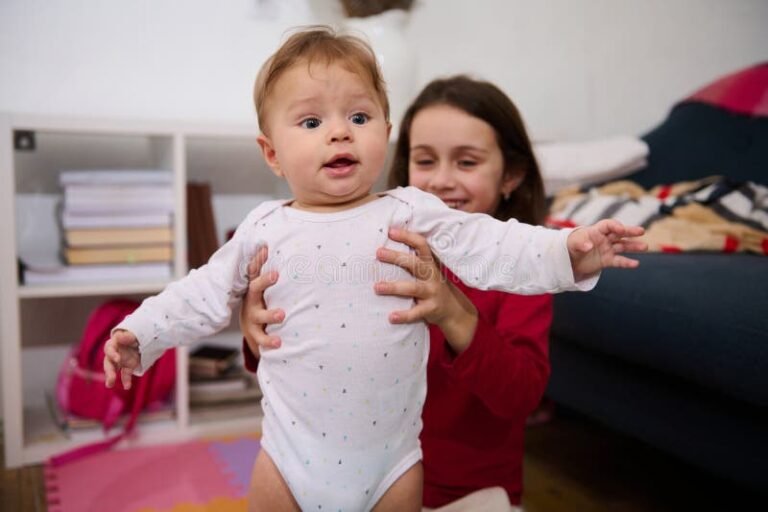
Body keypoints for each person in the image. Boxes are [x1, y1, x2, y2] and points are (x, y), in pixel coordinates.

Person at [104, 27, 646, 512]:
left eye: (359, 118)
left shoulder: (409, 213)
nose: (339, 132)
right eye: (312, 121)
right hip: (288, 457)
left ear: (383, 133)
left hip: (396, 464)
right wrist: (143, 332)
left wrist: (567, 250)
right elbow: (201, 290)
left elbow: (496, 244)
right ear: (271, 153)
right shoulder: (262, 228)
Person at [239, 74, 581, 511]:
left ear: (511, 175)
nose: (441, 180)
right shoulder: (378, 248)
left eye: (466, 162)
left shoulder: (521, 273)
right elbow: (318, 358)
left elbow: (520, 398)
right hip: (365, 485)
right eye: (425, 160)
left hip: (466, 495)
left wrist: (453, 315)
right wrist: (257, 331)